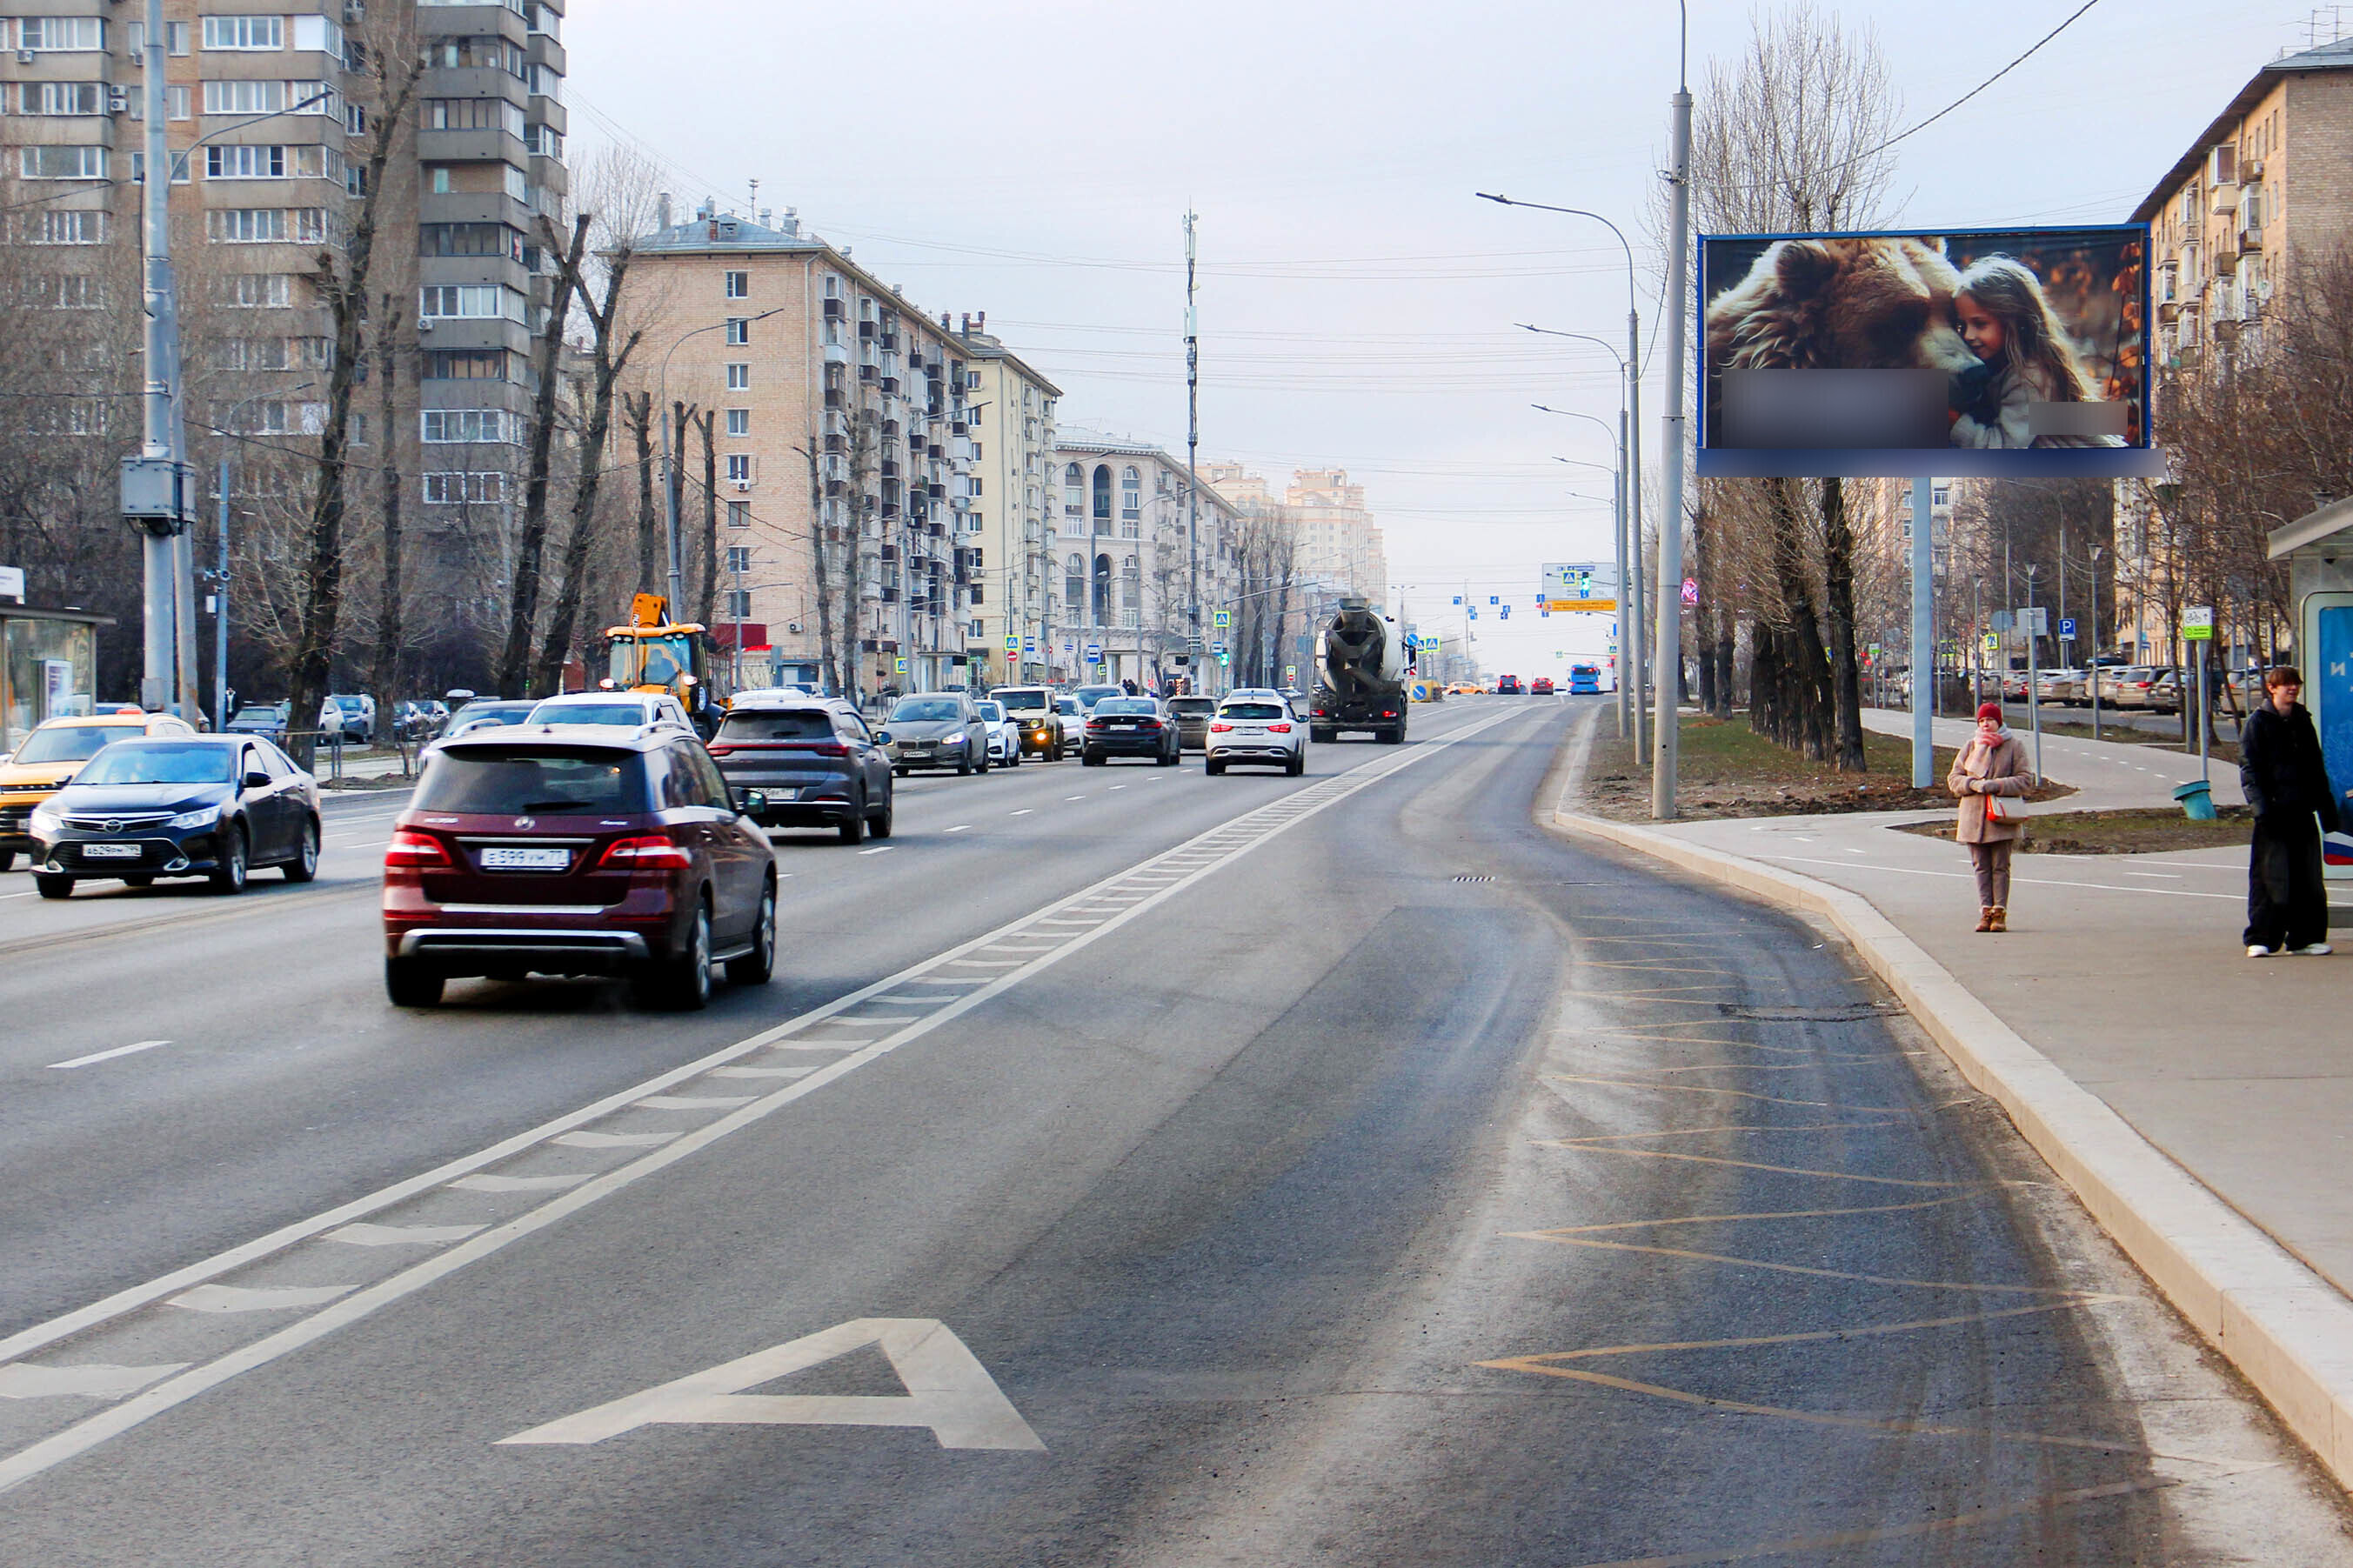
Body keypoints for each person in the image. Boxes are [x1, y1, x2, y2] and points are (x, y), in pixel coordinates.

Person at [1947, 256, 2122, 450]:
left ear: (2012, 321)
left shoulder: (2029, 376)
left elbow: (2003, 448)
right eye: (1962, 325)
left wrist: (1955, 423)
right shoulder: (2006, 365)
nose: (1968, 335)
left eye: (1980, 324)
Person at [2239, 666, 2342, 957]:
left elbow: (2316, 768)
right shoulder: (2258, 723)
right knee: (2269, 877)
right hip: (2272, 814)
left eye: (2296, 684)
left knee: (2308, 878)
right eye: (2286, 684)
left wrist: (2326, 810)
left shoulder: (2302, 720)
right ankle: (2261, 938)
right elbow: (2250, 770)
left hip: (2302, 811)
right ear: (2272, 688)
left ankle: (2305, 939)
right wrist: (2261, 809)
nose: (2293, 689)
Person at [1949, 701, 2031, 931]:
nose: (1986, 724)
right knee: (1980, 867)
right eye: (1982, 720)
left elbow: (2025, 780)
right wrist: (1972, 784)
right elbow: (1954, 779)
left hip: (2001, 817)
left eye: (1990, 720)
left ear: (1999, 722)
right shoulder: (1971, 746)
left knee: (2000, 867)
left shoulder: (2014, 746)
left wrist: (1996, 785)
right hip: (1973, 818)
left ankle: (1999, 913)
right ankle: (1985, 912)